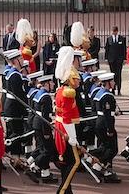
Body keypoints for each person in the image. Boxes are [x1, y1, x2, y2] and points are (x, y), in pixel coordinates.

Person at [52, 47, 82, 194]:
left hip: (60, 127)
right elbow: (68, 118)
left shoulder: (60, 90)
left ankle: (67, 190)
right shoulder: (69, 93)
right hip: (65, 129)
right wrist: (73, 138)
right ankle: (63, 190)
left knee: (66, 163)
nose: (78, 81)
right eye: (76, 79)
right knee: (73, 162)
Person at [104, 26, 126, 94]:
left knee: (118, 75)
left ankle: (119, 90)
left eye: (115, 31)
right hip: (111, 60)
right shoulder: (109, 39)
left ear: (117, 31)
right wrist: (106, 58)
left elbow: (124, 49)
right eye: (113, 32)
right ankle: (113, 90)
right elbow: (107, 49)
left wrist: (124, 58)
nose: (114, 33)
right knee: (112, 75)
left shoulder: (122, 38)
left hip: (119, 60)